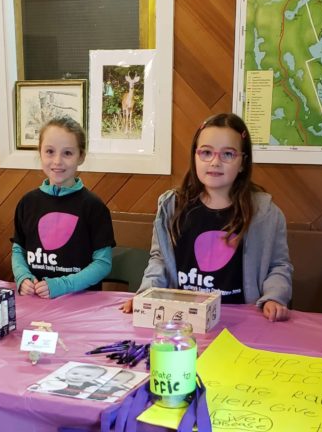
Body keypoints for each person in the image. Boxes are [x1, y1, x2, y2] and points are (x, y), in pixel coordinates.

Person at [121, 112, 292, 321]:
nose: (215, 162)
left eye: (227, 154)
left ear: (243, 163)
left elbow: (278, 266)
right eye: (206, 152)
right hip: (182, 317)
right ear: (195, 156)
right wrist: (146, 294)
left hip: (240, 319)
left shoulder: (266, 214)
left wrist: (274, 297)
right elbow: (160, 260)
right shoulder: (172, 206)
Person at [12, 117, 115, 298]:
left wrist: (64, 285)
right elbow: (18, 249)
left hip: (80, 304)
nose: (57, 161)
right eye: (50, 151)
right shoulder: (27, 202)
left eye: (67, 153)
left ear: (81, 156)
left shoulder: (94, 207)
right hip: (36, 301)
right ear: (40, 153)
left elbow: (103, 263)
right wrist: (22, 276)